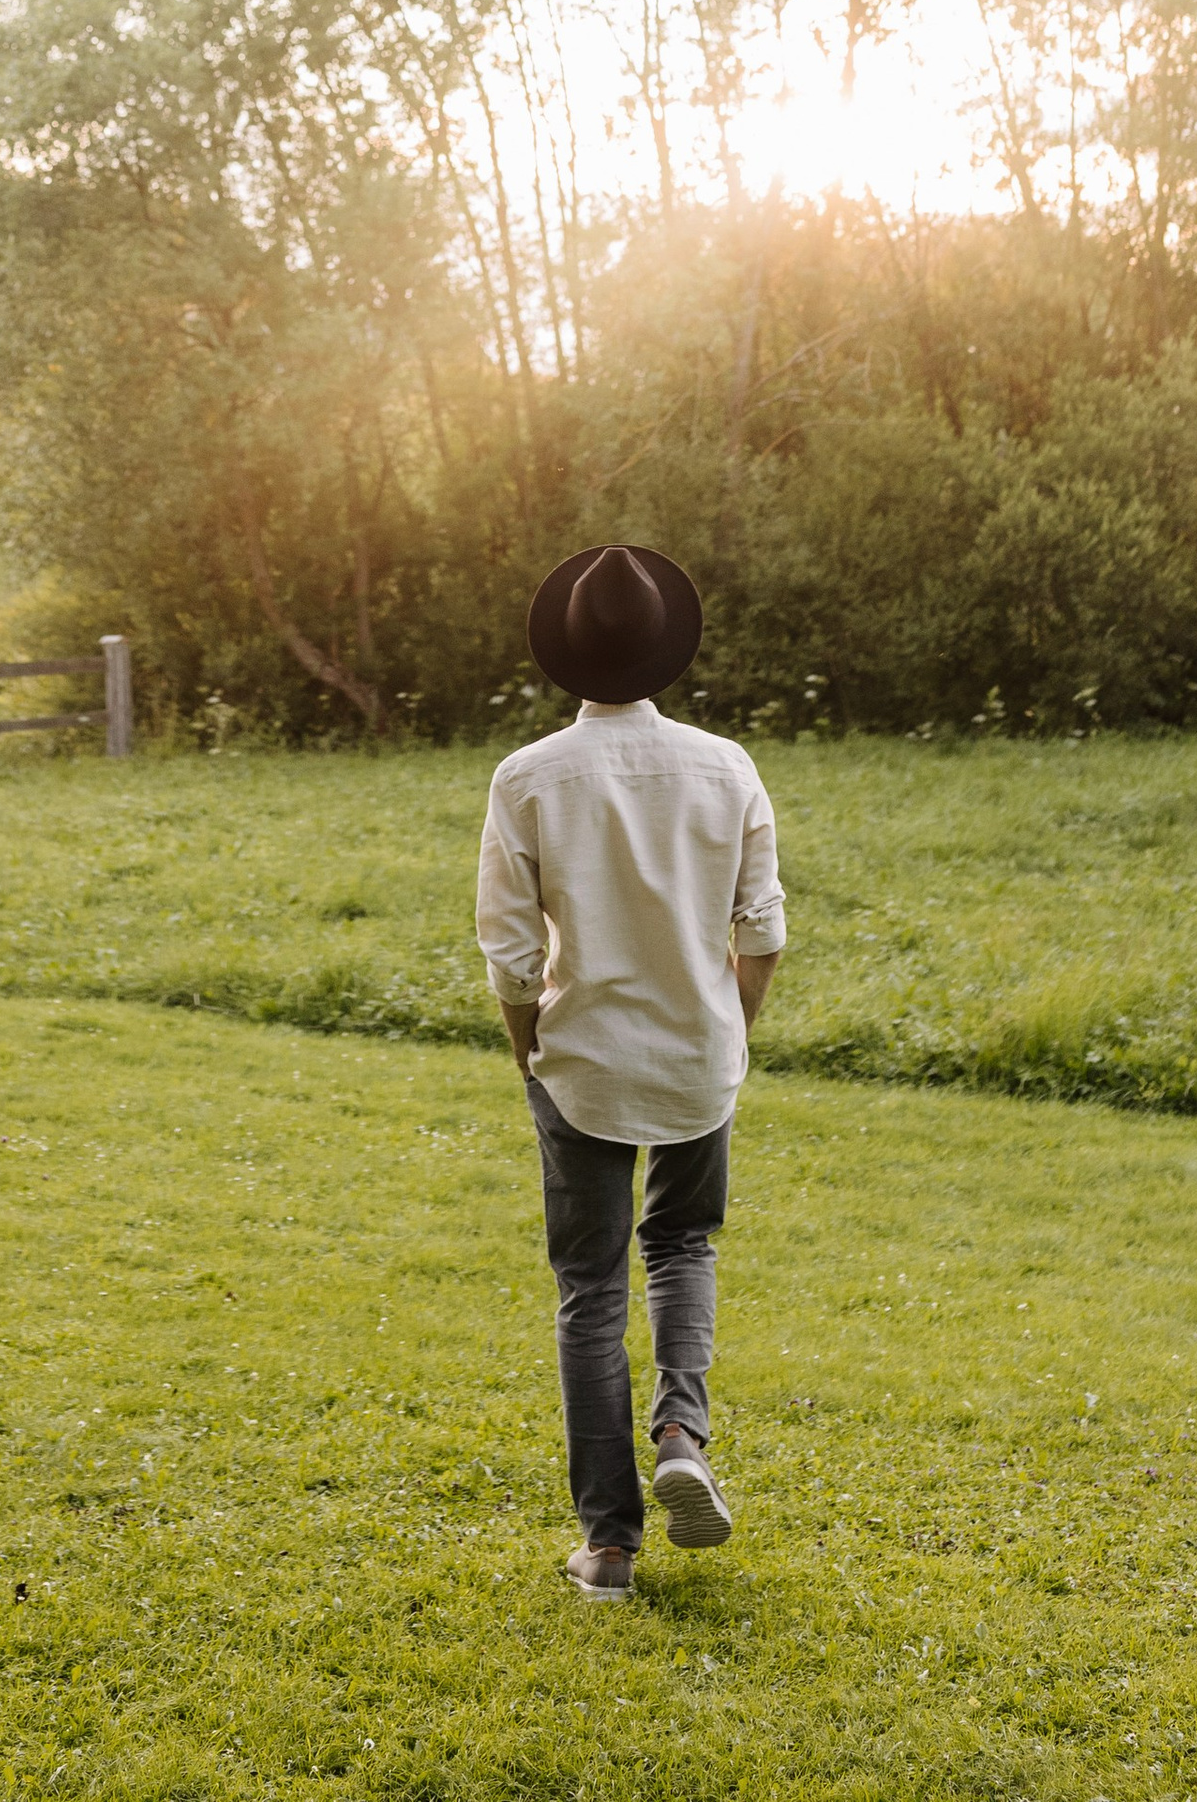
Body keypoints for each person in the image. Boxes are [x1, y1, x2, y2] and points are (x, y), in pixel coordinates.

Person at [476, 541, 784, 1601]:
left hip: (583, 1064)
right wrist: (729, 1026)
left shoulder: (526, 778)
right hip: (701, 1055)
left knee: (590, 1290)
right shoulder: (726, 765)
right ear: (664, 650)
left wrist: (529, 1051)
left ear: (567, 656)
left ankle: (608, 1549)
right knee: (685, 1242)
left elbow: (511, 957)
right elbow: (764, 928)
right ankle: (681, 1433)